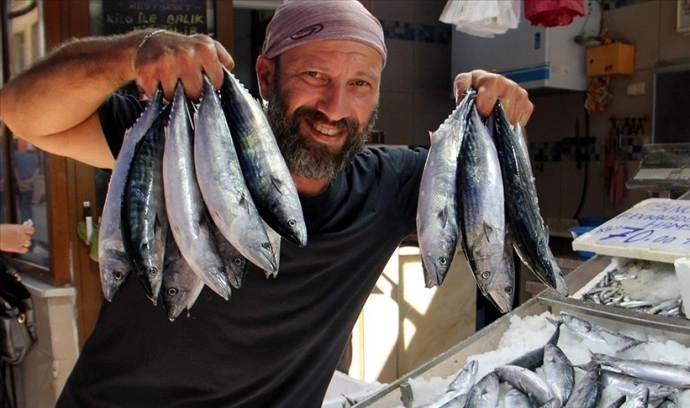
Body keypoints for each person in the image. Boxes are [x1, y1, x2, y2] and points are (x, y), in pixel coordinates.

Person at [0, 1, 533, 406]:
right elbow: (23, 112)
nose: (335, 107)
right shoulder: (185, 144)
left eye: (360, 84)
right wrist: (132, 53)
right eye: (314, 76)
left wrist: (499, 117)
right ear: (263, 76)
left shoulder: (394, 185)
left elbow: (492, 203)